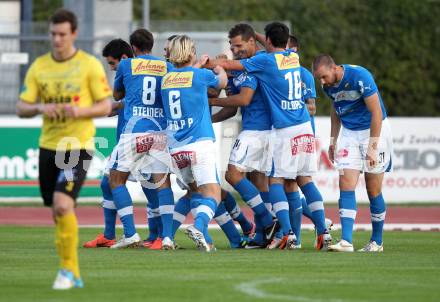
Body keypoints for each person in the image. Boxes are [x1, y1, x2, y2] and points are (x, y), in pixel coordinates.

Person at [204, 22, 332, 250]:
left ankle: (279, 227)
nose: (235, 50)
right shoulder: (291, 58)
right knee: (295, 182)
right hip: (301, 127)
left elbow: (237, 87)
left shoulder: (261, 63)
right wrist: (255, 35)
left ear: (261, 42)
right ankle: (315, 229)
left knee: (269, 181)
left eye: (238, 45)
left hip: (274, 129)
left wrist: (205, 64)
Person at [16, 9, 112, 289]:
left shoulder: (89, 65)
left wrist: (78, 111)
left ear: (73, 34)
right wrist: (39, 107)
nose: (56, 39)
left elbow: (105, 105)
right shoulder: (40, 66)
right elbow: (22, 106)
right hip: (48, 146)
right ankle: (73, 271)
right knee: (57, 211)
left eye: (62, 34)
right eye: (53, 34)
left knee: (62, 203)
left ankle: (67, 271)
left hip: (77, 146)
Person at [82, 39, 161, 249]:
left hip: (132, 139)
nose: (112, 68)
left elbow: (118, 101)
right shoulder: (143, 79)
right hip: (149, 138)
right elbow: (116, 106)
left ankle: (135, 234)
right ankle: (150, 236)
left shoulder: (129, 74)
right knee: (131, 185)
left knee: (122, 183)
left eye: (112, 63)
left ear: (125, 58)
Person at [209, 23, 280, 249]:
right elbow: (231, 109)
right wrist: (207, 119)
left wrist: (211, 101)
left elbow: (243, 100)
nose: (235, 49)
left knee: (232, 174)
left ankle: (269, 222)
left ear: (252, 42)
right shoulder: (243, 68)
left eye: (239, 45)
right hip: (260, 129)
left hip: (257, 130)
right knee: (258, 182)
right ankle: (263, 234)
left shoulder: (255, 64)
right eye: (232, 46)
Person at [312, 54, 392, 252]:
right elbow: (335, 110)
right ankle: (346, 241)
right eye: (319, 79)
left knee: (373, 189)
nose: (322, 83)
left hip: (374, 130)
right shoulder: (328, 86)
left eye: (323, 77)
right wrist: (333, 141)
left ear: (334, 68)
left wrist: (373, 147)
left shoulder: (359, 75)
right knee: (345, 183)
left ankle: (377, 242)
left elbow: (376, 112)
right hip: (349, 133)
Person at [109, 28, 175, 250]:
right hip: (159, 132)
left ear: (133, 48)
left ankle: (130, 233)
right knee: (162, 184)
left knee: (116, 180)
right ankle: (167, 237)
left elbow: (117, 95)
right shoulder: (167, 66)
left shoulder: (127, 65)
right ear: (152, 45)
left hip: (134, 131)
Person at [161, 35, 227, 251]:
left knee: (193, 193)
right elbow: (222, 83)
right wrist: (219, 67)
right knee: (213, 193)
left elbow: (184, 78)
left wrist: (197, 66)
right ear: (190, 52)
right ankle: (199, 226)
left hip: (176, 148)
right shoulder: (200, 75)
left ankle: (169, 237)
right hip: (199, 143)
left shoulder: (166, 79)